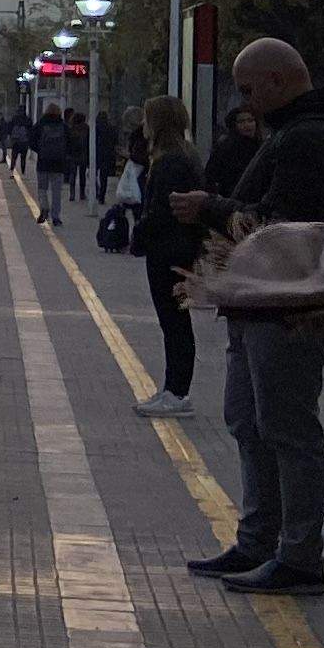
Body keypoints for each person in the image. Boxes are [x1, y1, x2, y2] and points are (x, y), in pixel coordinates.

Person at [185, 38, 324, 594]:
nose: (246, 103)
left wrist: (212, 209)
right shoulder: (296, 131)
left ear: (277, 79)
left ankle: (298, 555)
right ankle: (258, 540)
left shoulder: (313, 138)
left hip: (287, 305)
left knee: (287, 428)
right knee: (248, 420)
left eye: (249, 89)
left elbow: (287, 226)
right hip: (258, 303)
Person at [132, 94, 209, 415]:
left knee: (174, 321)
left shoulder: (170, 163)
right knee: (174, 321)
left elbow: (162, 210)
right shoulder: (184, 156)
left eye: (147, 119)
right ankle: (172, 388)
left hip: (169, 251)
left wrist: (140, 235)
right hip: (178, 247)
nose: (142, 125)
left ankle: (177, 392)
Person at [32, 103, 80, 224]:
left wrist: (40, 150)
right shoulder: (63, 126)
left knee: (42, 188)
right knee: (56, 191)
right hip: (59, 164)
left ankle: (44, 207)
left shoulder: (41, 124)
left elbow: (31, 139)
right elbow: (71, 143)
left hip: (43, 162)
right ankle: (56, 217)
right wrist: (65, 155)